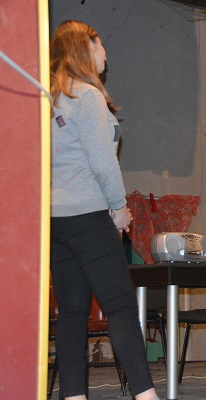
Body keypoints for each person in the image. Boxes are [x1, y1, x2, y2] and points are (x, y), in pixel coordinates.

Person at [50, 20, 159, 400]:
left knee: (71, 313)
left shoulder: (49, 99)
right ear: (86, 47)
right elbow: (102, 162)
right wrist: (119, 209)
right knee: (121, 307)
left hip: (55, 221)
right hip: (89, 215)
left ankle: (73, 395)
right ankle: (145, 395)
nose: (106, 54)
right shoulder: (87, 96)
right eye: (100, 46)